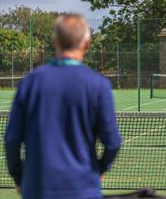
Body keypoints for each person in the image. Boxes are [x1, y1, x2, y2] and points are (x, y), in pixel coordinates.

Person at [4, 14, 121, 199]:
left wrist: (20, 178)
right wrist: (98, 170)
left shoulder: (30, 82)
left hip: (37, 188)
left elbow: (12, 140)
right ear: (86, 44)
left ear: (55, 41)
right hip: (83, 189)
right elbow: (113, 142)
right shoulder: (99, 85)